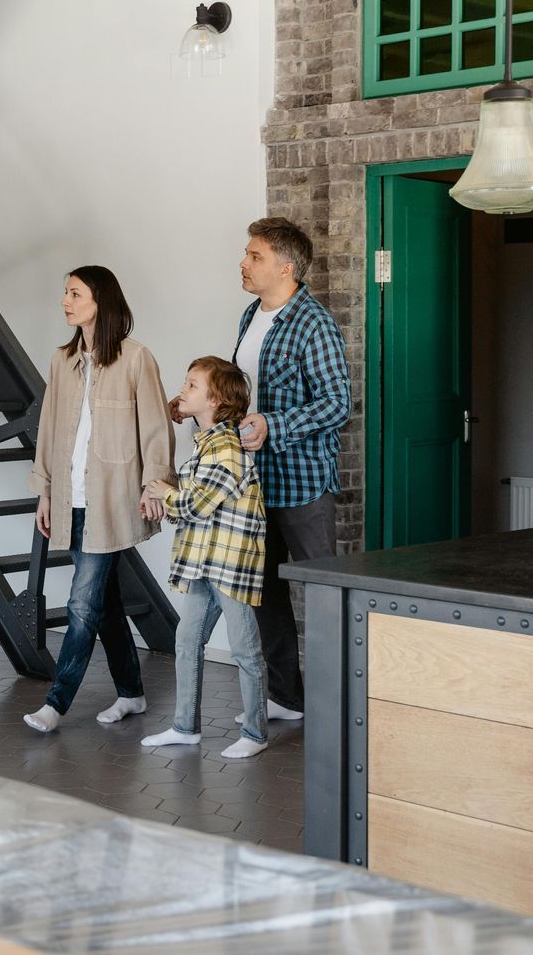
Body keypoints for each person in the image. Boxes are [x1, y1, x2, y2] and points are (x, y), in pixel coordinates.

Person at [184, 217, 350, 723]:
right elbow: (241, 398)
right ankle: (286, 699)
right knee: (263, 595)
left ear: (286, 266)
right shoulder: (249, 316)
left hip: (301, 484)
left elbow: (337, 402)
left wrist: (274, 425)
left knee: (323, 597)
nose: (243, 263)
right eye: (247, 254)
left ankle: (339, 704)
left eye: (254, 256)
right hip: (252, 484)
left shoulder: (314, 323)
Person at [23, 266, 174, 735]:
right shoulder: (60, 361)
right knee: (104, 602)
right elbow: (48, 431)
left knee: (83, 605)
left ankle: (57, 702)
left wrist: (156, 485)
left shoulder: (135, 358)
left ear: (100, 301)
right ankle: (131, 692)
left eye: (74, 293)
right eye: (64, 293)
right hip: (72, 498)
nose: (65, 301)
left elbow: (154, 427)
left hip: (113, 498)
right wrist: (45, 492)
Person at [140, 357, 269, 759]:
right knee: (187, 641)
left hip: (229, 566)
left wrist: (164, 493)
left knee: (244, 648)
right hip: (203, 562)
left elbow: (195, 505)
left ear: (215, 400)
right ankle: (185, 726)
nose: (184, 390)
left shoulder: (225, 449)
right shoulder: (206, 444)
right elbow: (194, 497)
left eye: (192, 385)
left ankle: (255, 732)